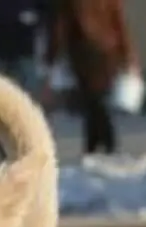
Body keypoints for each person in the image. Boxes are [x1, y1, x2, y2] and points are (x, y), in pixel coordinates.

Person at [43, 0, 138, 157]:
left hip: (84, 54)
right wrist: (127, 54)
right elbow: (120, 24)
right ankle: (98, 144)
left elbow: (62, 27)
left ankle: (102, 143)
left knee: (93, 101)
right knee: (95, 100)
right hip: (108, 51)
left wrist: (51, 54)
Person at [0, 0, 45, 96]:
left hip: (24, 48)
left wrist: (35, 18)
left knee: (28, 93)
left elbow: (44, 10)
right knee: (0, 93)